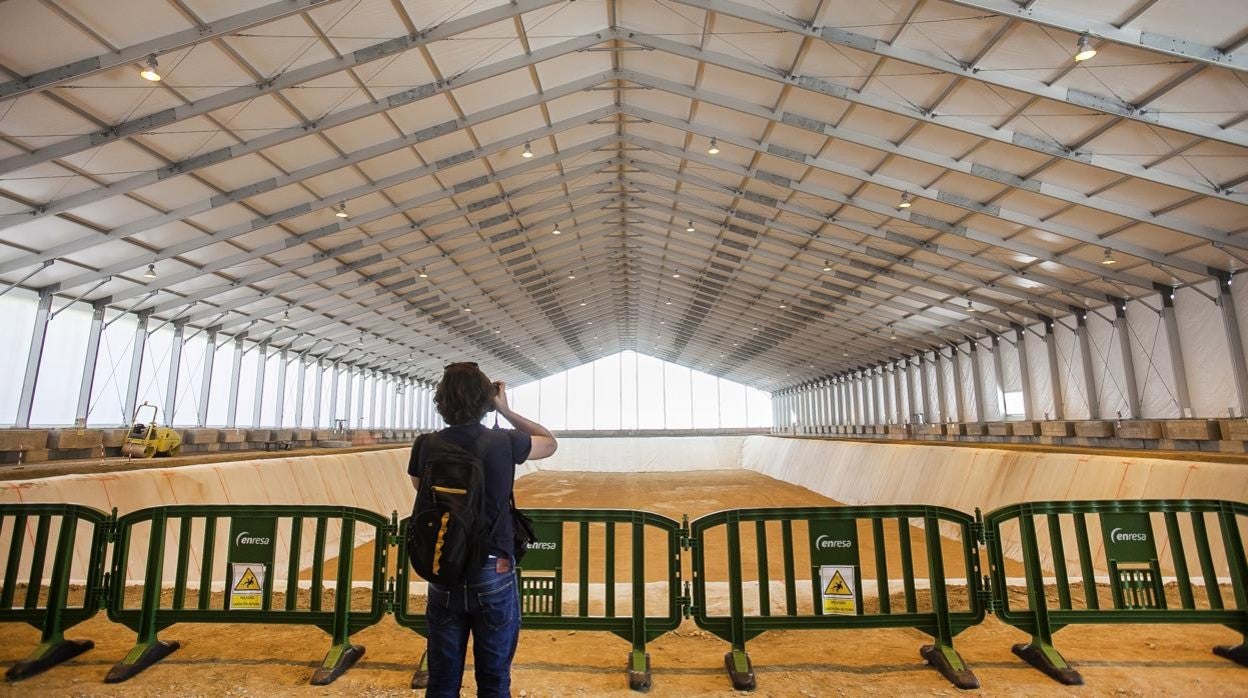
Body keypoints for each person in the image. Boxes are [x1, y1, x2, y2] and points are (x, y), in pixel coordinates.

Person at [408, 362, 557, 697]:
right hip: (493, 567)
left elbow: (421, 489)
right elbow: (548, 442)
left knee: (442, 680)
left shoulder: (426, 445)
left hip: (443, 567)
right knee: (493, 680)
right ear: (485, 400)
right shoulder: (504, 442)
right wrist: (504, 409)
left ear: (441, 401)